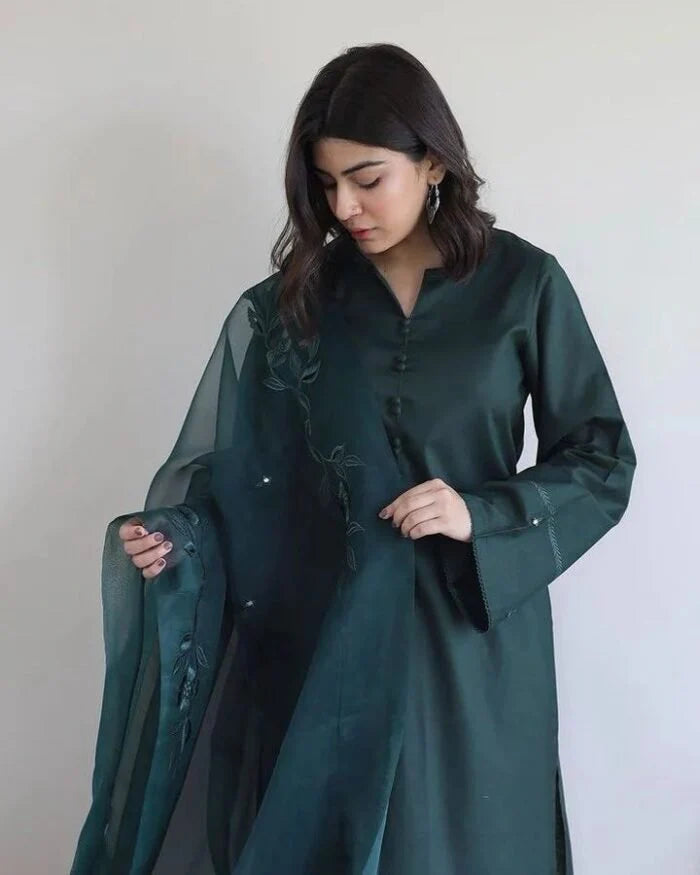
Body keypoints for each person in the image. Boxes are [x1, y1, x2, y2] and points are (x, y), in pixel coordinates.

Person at [72, 43, 636, 874]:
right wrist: (182, 538)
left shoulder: (523, 286)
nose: (344, 206)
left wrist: (478, 511)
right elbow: (250, 480)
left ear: (433, 161)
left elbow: (601, 458)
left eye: (368, 179)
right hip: (327, 644)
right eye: (326, 183)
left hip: (470, 646)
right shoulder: (294, 307)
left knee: (470, 847)